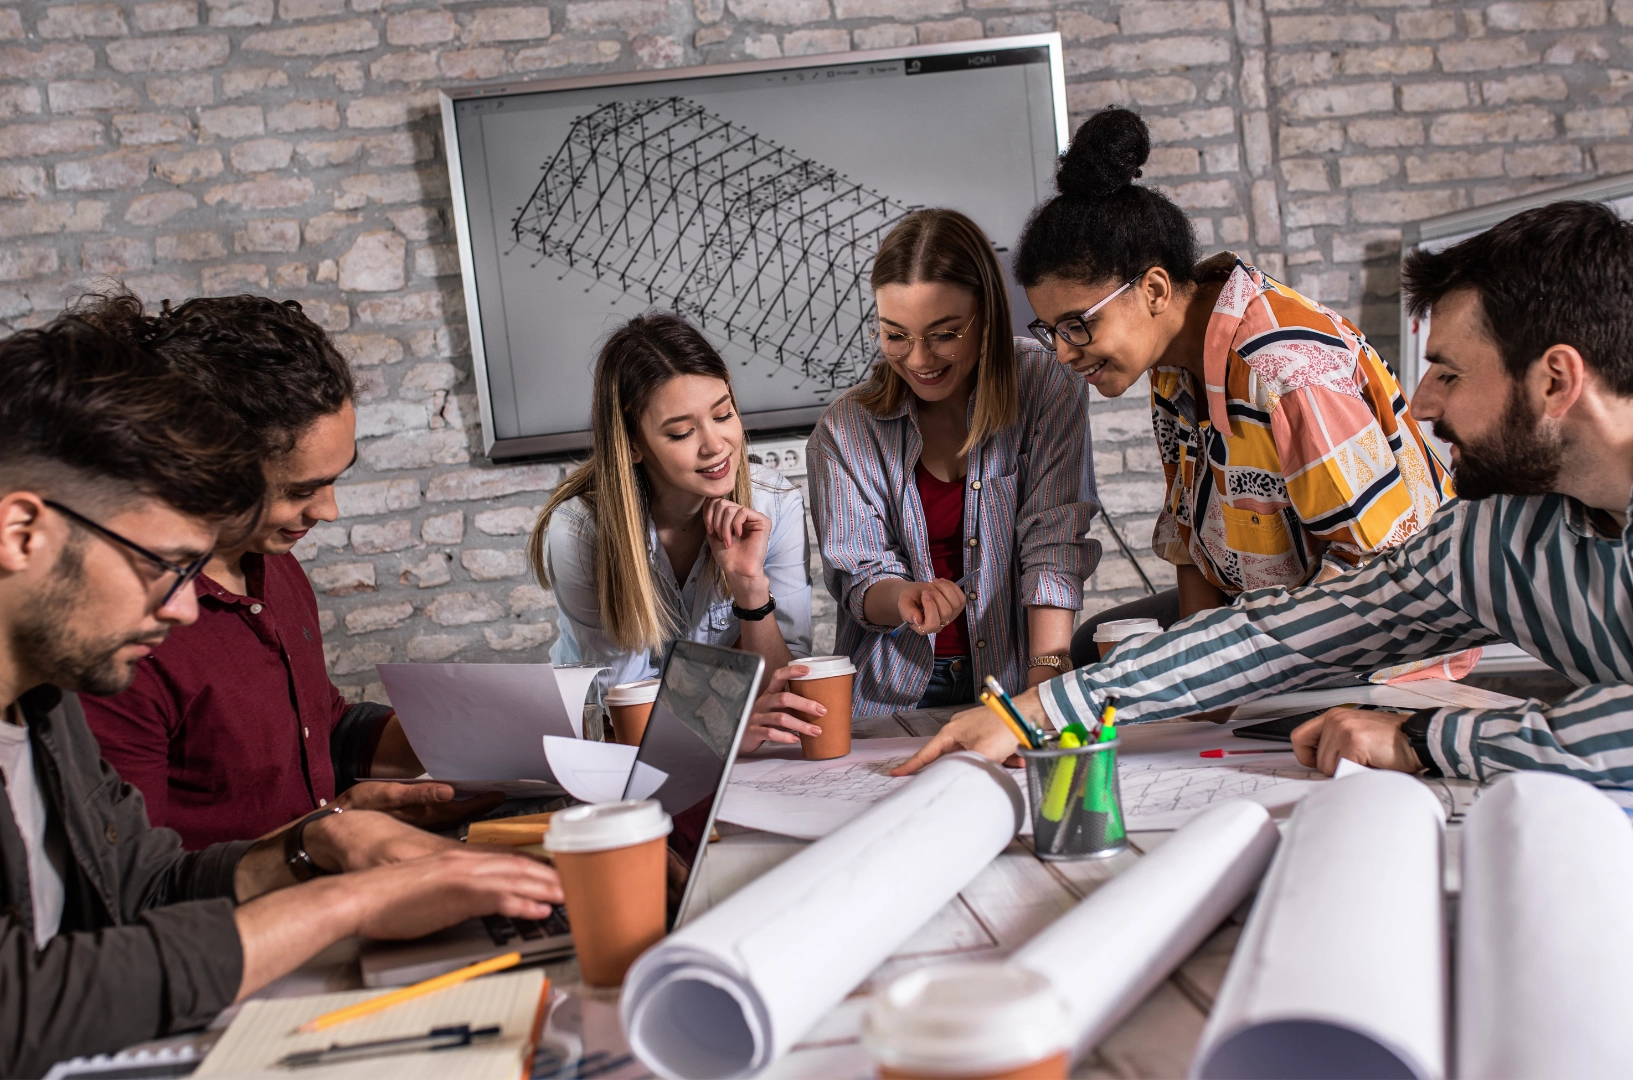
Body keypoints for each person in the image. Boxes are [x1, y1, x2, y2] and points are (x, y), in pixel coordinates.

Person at [895, 199, 1633, 794]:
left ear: (1555, 381)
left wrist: (1421, 738)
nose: (1422, 405)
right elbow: (1297, 627)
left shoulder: (1287, 368)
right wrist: (1043, 710)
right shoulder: (1495, 533)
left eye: (1447, 373)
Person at [0, 315, 563, 1080]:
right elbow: (21, 1005)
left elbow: (141, 885)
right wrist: (348, 903)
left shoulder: (44, 705)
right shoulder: (85, 670)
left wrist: (316, 848)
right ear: (22, 532)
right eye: (162, 565)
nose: (185, 607)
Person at [1013, 108, 1453, 668]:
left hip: (1376, 645)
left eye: (1078, 325)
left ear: (1153, 289)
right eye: (1051, 332)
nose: (1065, 351)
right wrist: (1201, 659)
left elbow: (1380, 576)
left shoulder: (1287, 372)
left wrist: (1223, 671)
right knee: (1092, 649)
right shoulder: (1175, 359)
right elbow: (1189, 533)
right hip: (1267, 615)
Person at [72, 293, 488, 850]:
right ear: (206, 471)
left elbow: (316, 734)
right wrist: (324, 834)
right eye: (300, 491)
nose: (328, 511)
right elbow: (136, 886)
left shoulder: (277, 566)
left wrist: (471, 732)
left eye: (335, 479)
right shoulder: (131, 640)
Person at [807, 208, 1098, 714]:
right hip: (889, 693)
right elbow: (858, 576)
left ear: (985, 316)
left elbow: (1053, 540)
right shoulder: (843, 429)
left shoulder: (1048, 384)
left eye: (944, 334)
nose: (918, 359)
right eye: (895, 335)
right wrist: (903, 597)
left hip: (1016, 671)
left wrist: (1042, 681)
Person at [530, 312, 817, 752]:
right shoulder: (580, 532)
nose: (715, 444)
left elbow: (783, 688)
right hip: (603, 746)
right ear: (632, 444)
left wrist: (750, 591)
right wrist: (727, 727)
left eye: (723, 415)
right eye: (682, 432)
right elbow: (625, 703)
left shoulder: (775, 505)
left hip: (737, 745)